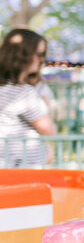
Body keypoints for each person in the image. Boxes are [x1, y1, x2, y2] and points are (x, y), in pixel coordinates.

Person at [0, 28, 57, 167]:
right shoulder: (22, 93)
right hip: (23, 170)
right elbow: (50, 130)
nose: (41, 60)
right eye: (38, 54)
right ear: (22, 55)